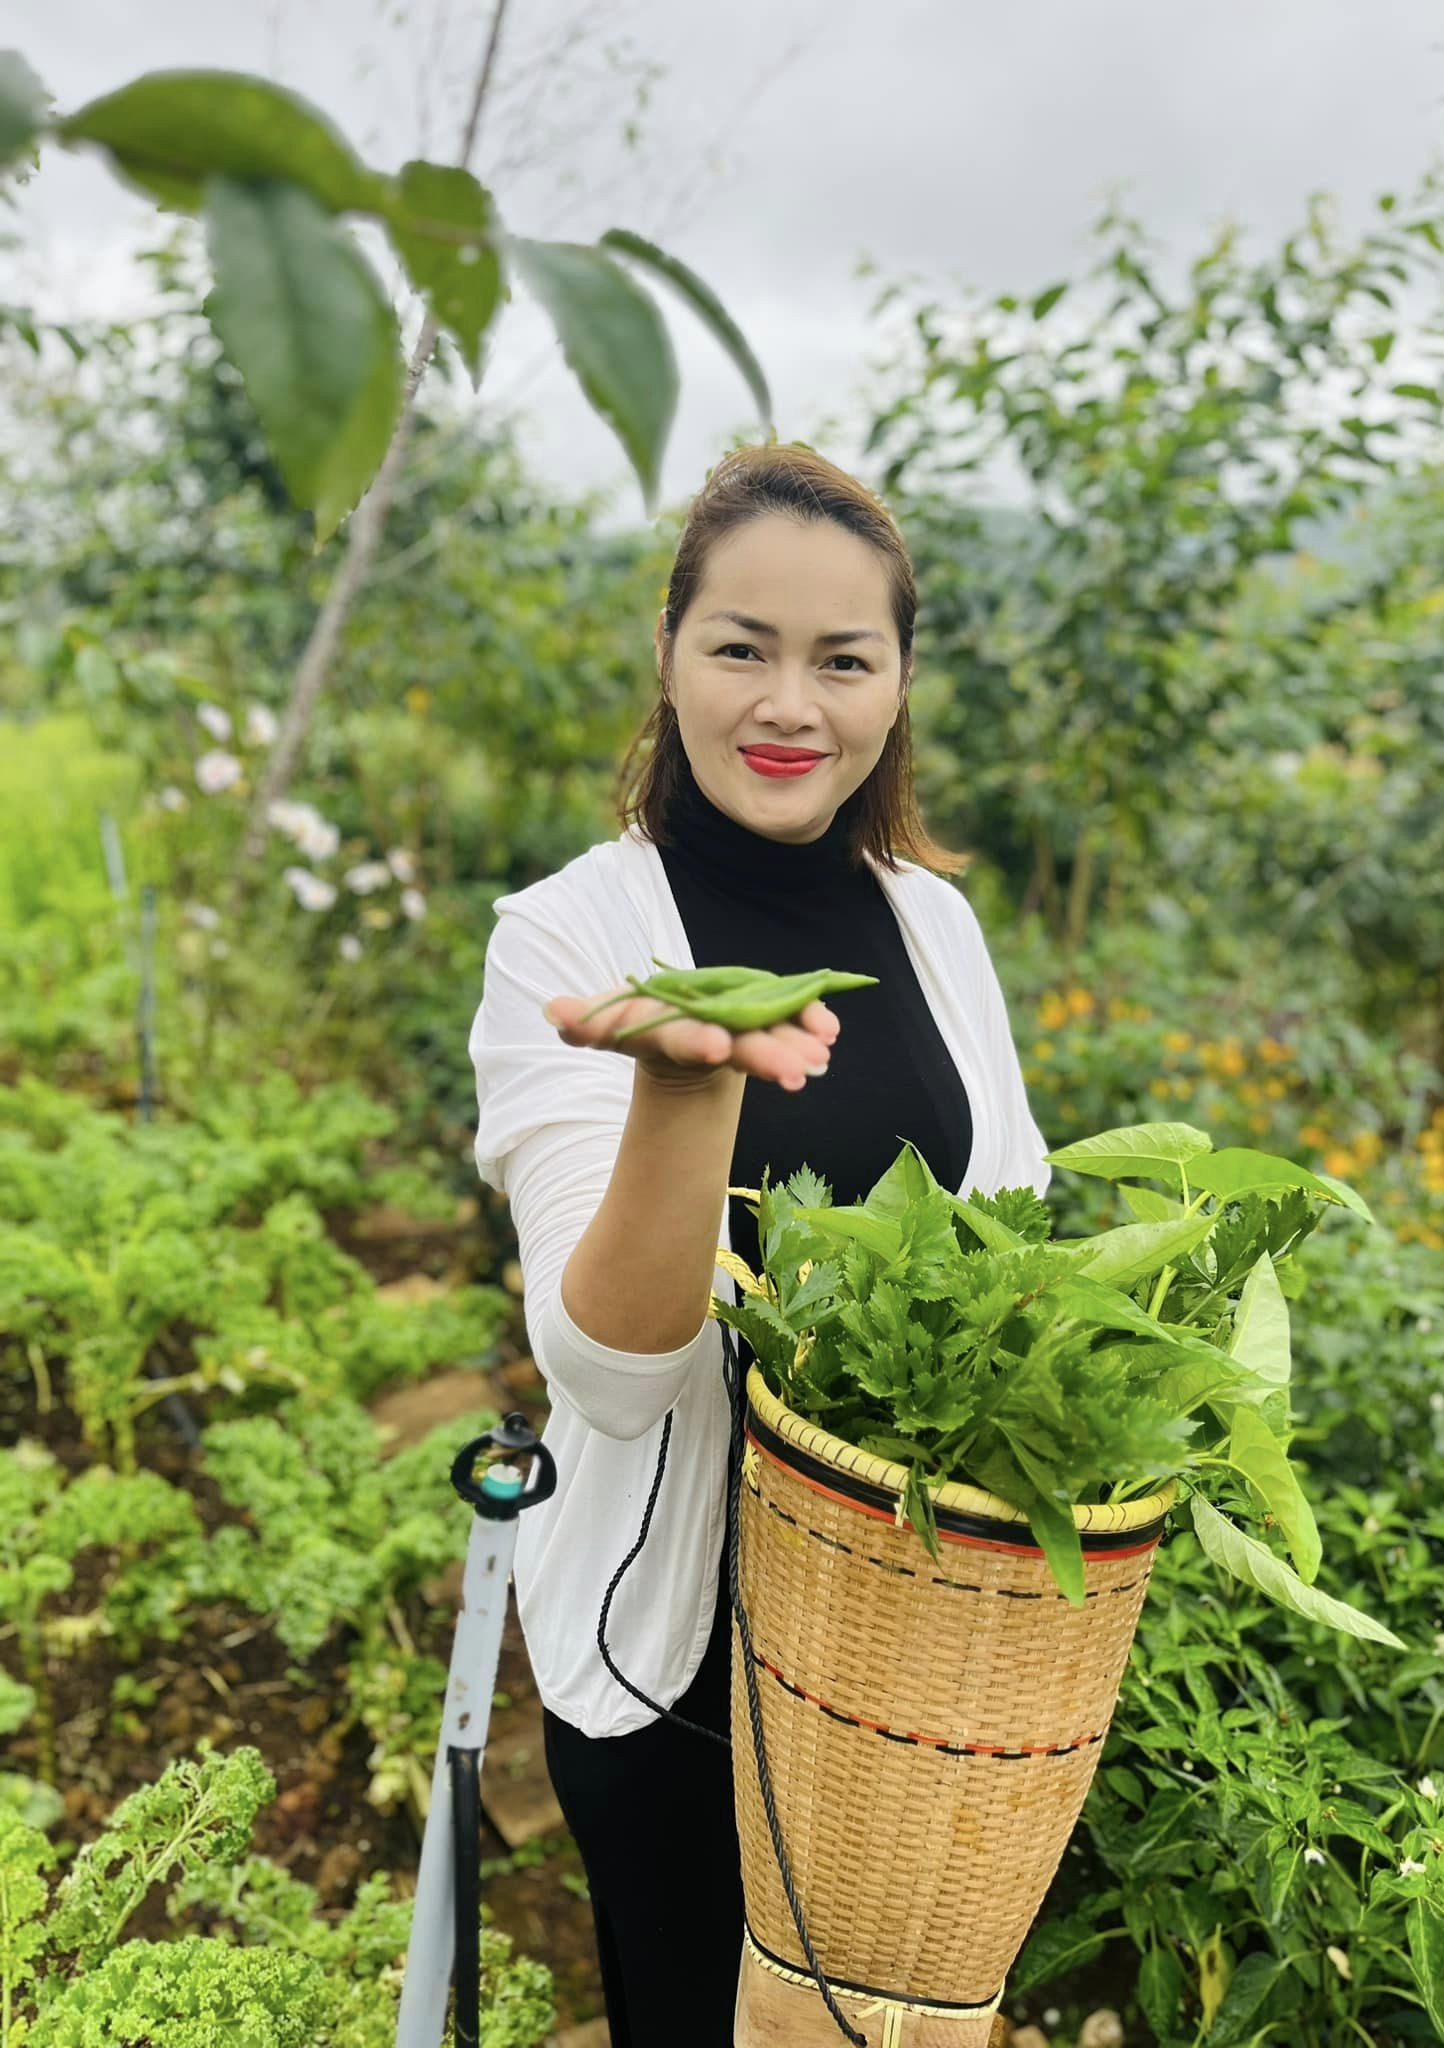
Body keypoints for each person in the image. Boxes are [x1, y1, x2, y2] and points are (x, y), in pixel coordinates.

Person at [467, 443, 1051, 2046]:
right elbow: (610, 1377)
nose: (790, 704)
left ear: (900, 682)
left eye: (842, 660)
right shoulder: (573, 936)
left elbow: (1009, 1227)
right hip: (680, 1660)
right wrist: (683, 1083)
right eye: (741, 647)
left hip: (905, 1649)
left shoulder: (933, 923)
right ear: (667, 653)